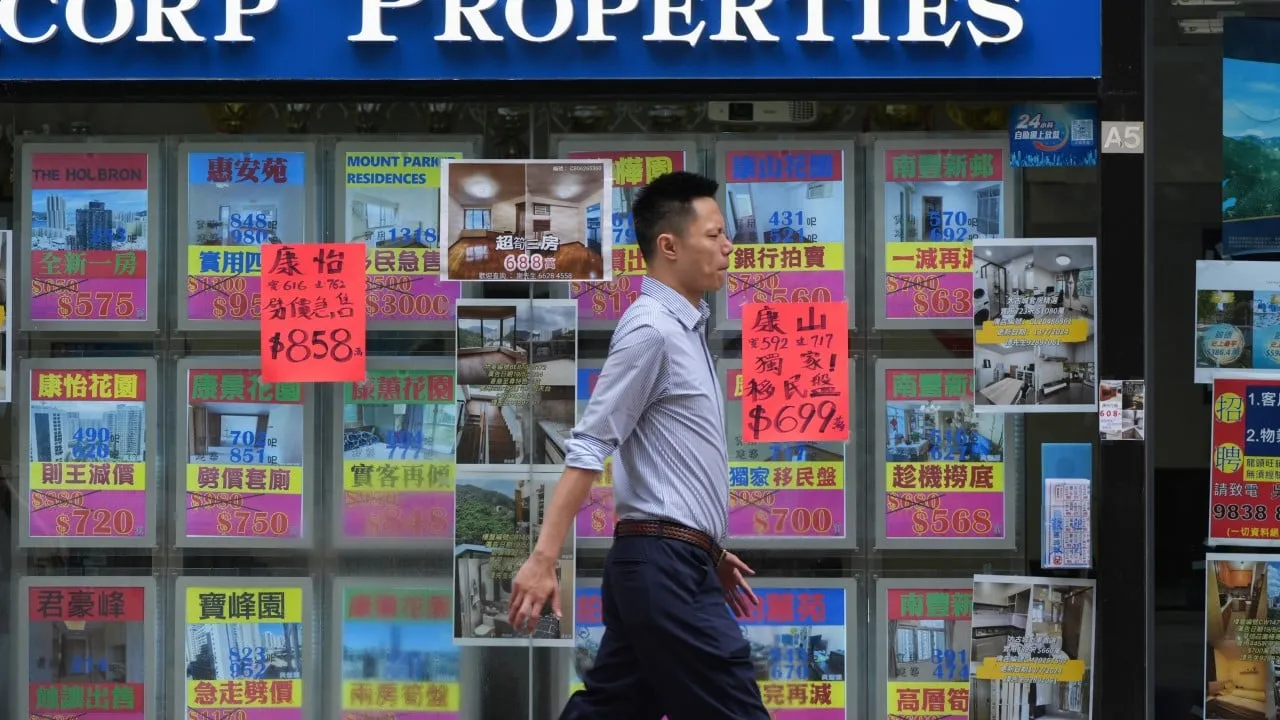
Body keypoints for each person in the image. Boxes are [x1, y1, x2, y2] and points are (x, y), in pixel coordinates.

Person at [508, 171, 771, 720]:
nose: (729, 247)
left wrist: (707, 549)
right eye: (715, 234)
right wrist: (543, 558)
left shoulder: (684, 329)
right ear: (669, 245)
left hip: (669, 561)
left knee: (614, 709)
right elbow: (589, 444)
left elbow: (671, 464)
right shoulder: (651, 329)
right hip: (664, 566)